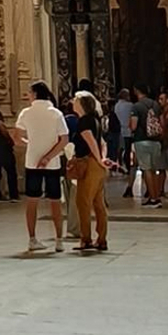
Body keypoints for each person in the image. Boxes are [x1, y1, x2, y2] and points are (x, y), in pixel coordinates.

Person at [10, 81, 69, 254]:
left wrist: (31, 144)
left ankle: (32, 239)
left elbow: (16, 137)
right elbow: (64, 139)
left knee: (32, 201)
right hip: (52, 163)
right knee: (55, 202)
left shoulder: (26, 113)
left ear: (35, 94)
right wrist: (49, 156)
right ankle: (59, 240)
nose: (27, 96)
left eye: (29, 93)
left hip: (32, 161)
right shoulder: (56, 113)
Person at [67, 89, 109, 254]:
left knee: (83, 202)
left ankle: (86, 239)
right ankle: (102, 238)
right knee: (98, 204)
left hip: (89, 164)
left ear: (82, 104)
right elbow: (102, 143)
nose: (72, 102)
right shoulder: (95, 120)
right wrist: (102, 159)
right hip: (96, 165)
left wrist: (98, 159)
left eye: (76, 100)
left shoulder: (84, 121)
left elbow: (91, 142)